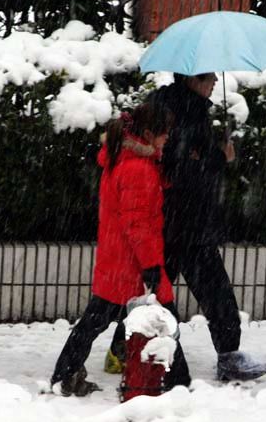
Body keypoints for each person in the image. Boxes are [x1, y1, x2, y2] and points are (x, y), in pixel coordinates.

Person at [105, 72, 266, 382]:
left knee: (160, 296)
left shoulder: (180, 107)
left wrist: (211, 153)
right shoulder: (179, 112)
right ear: (192, 79)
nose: (213, 83)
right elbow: (180, 167)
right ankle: (228, 356)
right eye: (209, 77)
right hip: (184, 222)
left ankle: (121, 348)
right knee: (211, 293)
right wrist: (217, 158)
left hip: (176, 222)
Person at [51, 103, 191, 396]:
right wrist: (152, 267)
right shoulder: (138, 169)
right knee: (167, 322)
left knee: (93, 323)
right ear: (150, 133)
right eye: (165, 133)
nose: (168, 138)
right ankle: (178, 384)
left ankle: (64, 375)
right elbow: (139, 225)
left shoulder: (126, 160)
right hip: (134, 264)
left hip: (118, 259)